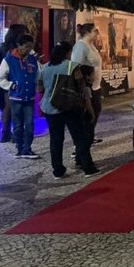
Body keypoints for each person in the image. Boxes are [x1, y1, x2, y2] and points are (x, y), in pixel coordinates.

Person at [38, 42, 98, 178]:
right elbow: (81, 87)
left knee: (56, 139)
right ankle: (87, 167)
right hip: (70, 107)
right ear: (67, 53)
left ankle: (58, 170)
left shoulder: (45, 67)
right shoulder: (72, 66)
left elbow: (40, 88)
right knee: (79, 137)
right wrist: (87, 106)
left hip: (50, 107)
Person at [0, 34, 40, 159]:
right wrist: (11, 85)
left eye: (30, 47)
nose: (28, 49)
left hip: (30, 98)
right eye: (26, 47)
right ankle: (20, 148)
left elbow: (37, 74)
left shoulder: (32, 59)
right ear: (18, 46)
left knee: (30, 124)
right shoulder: (8, 60)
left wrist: (36, 86)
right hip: (16, 99)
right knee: (18, 125)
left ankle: (27, 148)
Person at [0, 24, 28, 143]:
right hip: (14, 81)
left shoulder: (3, 47)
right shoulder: (15, 49)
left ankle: (6, 133)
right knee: (14, 108)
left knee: (8, 107)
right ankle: (15, 134)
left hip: (5, 80)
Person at [71, 23, 103, 145]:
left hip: (95, 86)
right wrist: (82, 85)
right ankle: (81, 142)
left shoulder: (91, 45)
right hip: (86, 87)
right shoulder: (81, 46)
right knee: (89, 113)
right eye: (95, 31)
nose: (97, 33)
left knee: (96, 110)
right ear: (88, 32)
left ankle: (89, 135)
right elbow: (76, 66)